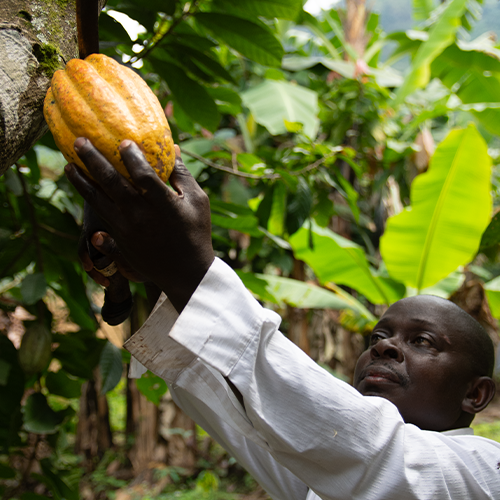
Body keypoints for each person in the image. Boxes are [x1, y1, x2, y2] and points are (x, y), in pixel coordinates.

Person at [66, 137, 500, 500]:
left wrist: (193, 272)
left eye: (423, 342)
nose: (384, 347)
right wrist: (155, 265)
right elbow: (238, 412)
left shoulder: (483, 471)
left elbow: (371, 449)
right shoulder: (321, 479)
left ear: (476, 395)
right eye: (378, 336)